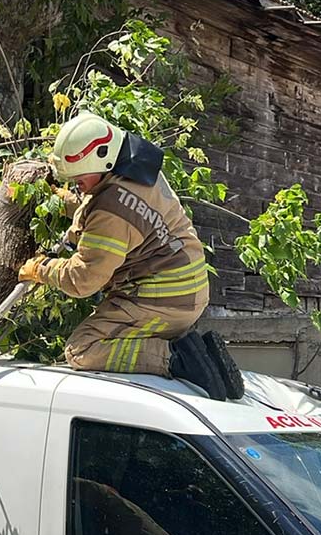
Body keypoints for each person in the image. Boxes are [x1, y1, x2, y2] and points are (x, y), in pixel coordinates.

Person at [18, 112, 243, 400]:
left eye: (78, 177)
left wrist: (42, 268)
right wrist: (60, 201)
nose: (74, 182)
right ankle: (202, 355)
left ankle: (176, 358)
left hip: (160, 297)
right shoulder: (136, 166)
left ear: (102, 160)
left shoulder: (111, 209)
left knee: (82, 350)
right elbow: (115, 212)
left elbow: (83, 279)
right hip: (187, 291)